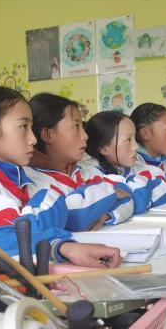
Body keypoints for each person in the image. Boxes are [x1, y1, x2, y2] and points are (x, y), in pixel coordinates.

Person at [0, 86, 121, 268]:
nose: (33, 139)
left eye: (31, 127)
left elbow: (33, 229)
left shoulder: (19, 177)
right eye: (23, 127)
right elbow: (1, 240)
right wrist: (61, 247)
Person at [26, 93, 136, 230]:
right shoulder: (32, 182)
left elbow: (127, 197)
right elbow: (71, 217)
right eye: (75, 126)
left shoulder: (86, 172)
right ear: (48, 135)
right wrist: (110, 194)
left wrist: (107, 215)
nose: (85, 136)